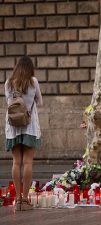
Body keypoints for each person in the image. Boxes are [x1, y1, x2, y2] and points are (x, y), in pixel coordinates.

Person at [4, 56, 43, 211]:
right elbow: (40, 102)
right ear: (30, 68)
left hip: (13, 127)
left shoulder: (9, 82)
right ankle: (25, 200)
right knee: (27, 162)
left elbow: (8, 102)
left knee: (16, 162)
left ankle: (18, 199)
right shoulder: (33, 81)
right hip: (30, 126)